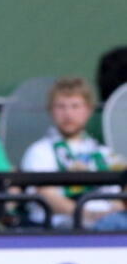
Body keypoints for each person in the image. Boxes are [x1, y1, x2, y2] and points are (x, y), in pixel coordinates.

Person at [20, 77, 123, 228]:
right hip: (59, 227)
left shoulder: (103, 152)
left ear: (89, 110)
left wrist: (115, 211)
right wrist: (89, 216)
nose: (68, 114)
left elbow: (119, 195)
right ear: (50, 110)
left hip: (109, 225)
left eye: (75, 106)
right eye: (61, 106)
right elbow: (46, 195)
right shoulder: (39, 151)